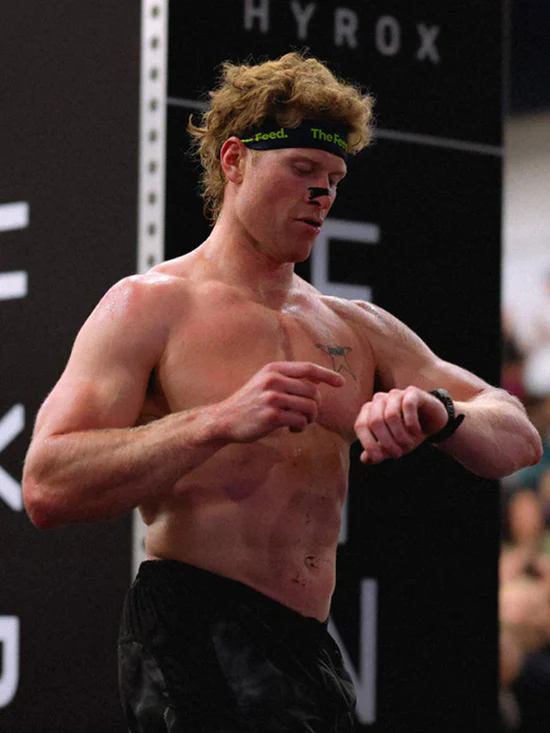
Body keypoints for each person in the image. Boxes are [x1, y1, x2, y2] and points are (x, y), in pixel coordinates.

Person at [22, 52, 542, 732]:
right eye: (302, 168)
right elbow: (46, 483)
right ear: (235, 160)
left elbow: (517, 437)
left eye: (334, 178)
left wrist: (438, 412)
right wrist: (216, 421)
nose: (322, 193)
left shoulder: (354, 325)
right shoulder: (150, 305)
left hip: (306, 646)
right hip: (193, 627)